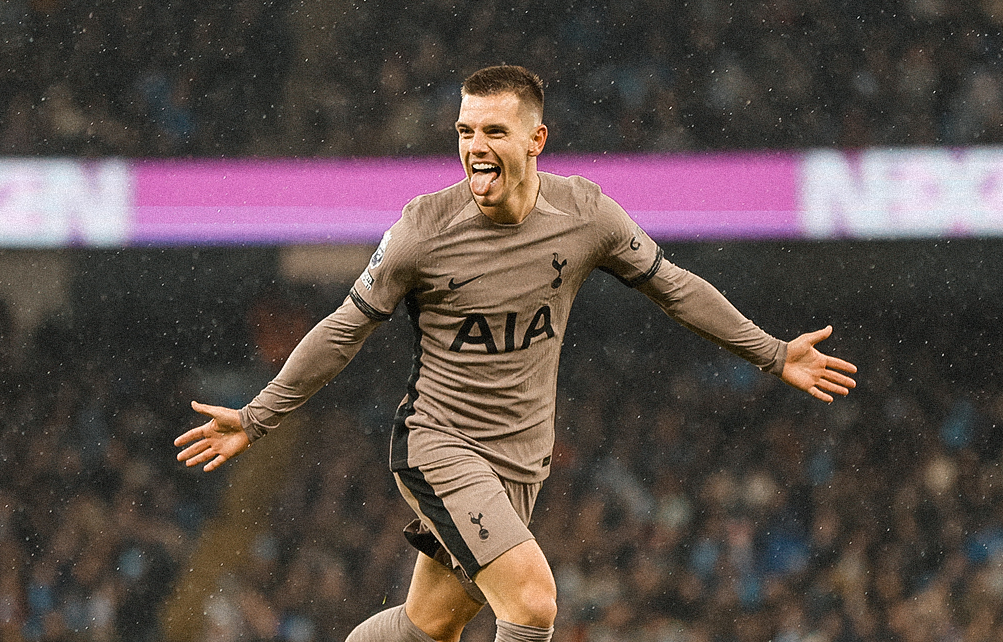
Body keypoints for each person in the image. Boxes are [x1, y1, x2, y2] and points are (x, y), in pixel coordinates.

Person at [175, 65, 857, 642]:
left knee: (431, 625)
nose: (475, 146)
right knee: (530, 602)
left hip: (520, 458)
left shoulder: (584, 214)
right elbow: (344, 326)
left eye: (493, 132)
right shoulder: (423, 228)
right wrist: (259, 415)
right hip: (439, 444)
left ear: (536, 140)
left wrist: (771, 353)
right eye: (465, 132)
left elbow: (672, 287)